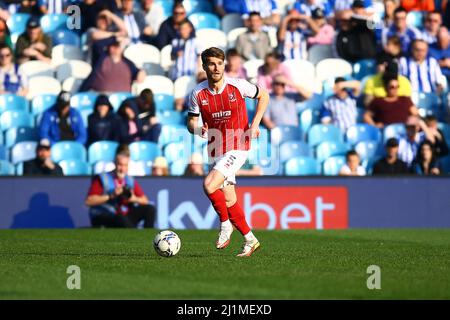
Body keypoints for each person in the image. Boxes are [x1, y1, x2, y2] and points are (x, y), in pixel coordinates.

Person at [187, 47, 269, 257]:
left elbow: (264, 96)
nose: (216, 68)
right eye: (212, 64)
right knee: (229, 200)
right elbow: (191, 123)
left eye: (220, 63)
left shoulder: (238, 85)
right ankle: (250, 240)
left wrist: (255, 123)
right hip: (215, 148)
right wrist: (198, 129)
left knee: (208, 184)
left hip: (238, 146)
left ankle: (225, 225)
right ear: (204, 66)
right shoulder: (198, 93)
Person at [85, 149, 156, 228]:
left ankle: (148, 236)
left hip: (124, 216)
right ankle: (135, 236)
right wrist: (111, 196)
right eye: (120, 165)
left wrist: (133, 198)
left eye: (125, 165)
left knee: (150, 209)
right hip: (105, 216)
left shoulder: (129, 180)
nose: (122, 169)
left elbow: (145, 200)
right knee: (120, 218)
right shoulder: (103, 178)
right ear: (115, 164)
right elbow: (89, 201)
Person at [80, 38, 146, 93]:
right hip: (100, 98)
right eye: (111, 46)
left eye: (116, 46)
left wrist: (141, 72)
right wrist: (115, 38)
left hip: (122, 99)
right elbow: (97, 45)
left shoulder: (128, 63)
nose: (113, 48)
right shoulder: (101, 58)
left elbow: (138, 74)